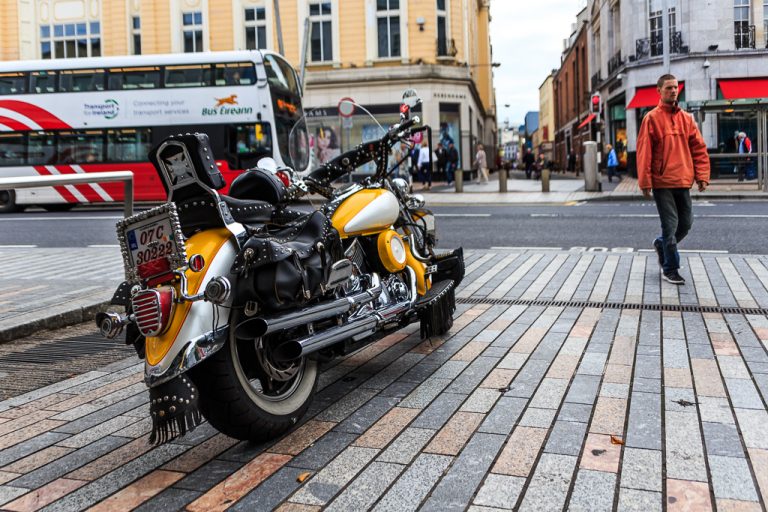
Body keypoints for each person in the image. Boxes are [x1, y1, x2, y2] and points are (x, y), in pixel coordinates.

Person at [637, 73, 710, 285]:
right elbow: (644, 152)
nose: (673, 90)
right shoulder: (651, 118)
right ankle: (670, 268)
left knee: (686, 224)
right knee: (670, 225)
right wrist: (645, 181)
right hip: (662, 182)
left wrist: (702, 176)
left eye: (676, 87)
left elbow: (698, 148)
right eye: (669, 87)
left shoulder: (686, 119)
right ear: (659, 91)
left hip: (683, 179)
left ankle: (662, 245)